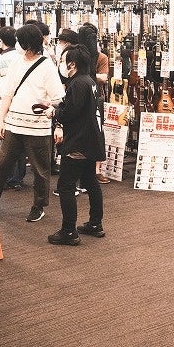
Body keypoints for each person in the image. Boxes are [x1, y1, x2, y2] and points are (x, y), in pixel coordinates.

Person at [0, 24, 64, 223]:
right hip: (14, 124)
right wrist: (1, 120)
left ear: (27, 44)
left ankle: (38, 205)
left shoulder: (47, 66)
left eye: (20, 41)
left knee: (40, 170)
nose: (17, 45)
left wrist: (57, 122)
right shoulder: (16, 62)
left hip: (38, 127)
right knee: (2, 165)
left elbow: (58, 99)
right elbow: (8, 93)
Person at [48, 46, 106, 246]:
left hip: (78, 143)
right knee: (90, 181)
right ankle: (95, 223)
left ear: (72, 64)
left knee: (65, 186)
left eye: (64, 61)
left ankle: (69, 231)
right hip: (91, 141)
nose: (62, 65)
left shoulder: (77, 83)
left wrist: (54, 113)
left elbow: (70, 112)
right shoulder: (89, 81)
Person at [0, 26, 25, 191]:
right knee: (21, 140)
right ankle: (18, 176)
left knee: (8, 144)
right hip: (21, 104)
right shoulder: (22, 56)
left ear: (1, 41)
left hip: (4, 105)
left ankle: (10, 177)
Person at [77, 23, 112, 184]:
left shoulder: (101, 57)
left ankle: (96, 170)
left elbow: (104, 77)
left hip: (97, 97)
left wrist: (88, 75)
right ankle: (81, 170)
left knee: (97, 133)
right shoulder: (76, 55)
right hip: (80, 97)